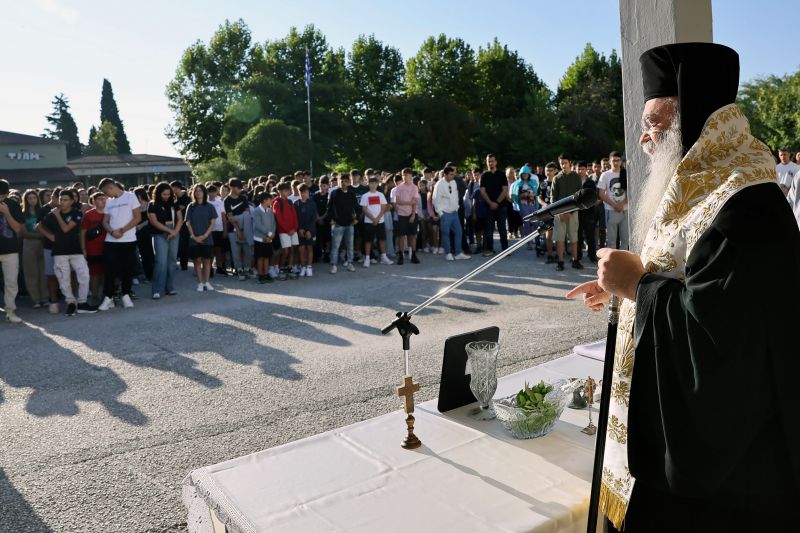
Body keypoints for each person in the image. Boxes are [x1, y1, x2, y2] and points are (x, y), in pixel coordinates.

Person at [567, 42, 800, 532]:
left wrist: (637, 285)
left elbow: (720, 345)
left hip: (725, 479)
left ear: (693, 118)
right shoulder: (703, 187)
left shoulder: (744, 203)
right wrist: (624, 288)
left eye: (656, 123)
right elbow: (686, 276)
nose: (646, 140)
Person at [38, 190, 96, 316]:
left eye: (65, 200)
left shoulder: (77, 213)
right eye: (60, 200)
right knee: (63, 279)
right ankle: (70, 303)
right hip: (59, 252)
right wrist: (51, 237)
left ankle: (82, 303)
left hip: (75, 250)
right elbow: (39, 226)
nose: (62, 202)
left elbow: (66, 228)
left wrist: (58, 215)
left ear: (71, 201)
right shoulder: (51, 214)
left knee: (84, 276)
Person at [98, 178, 140, 311]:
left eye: (106, 192)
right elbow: (105, 221)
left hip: (128, 240)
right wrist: (112, 231)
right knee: (110, 270)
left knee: (127, 269)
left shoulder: (131, 197)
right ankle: (108, 297)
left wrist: (122, 230)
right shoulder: (108, 202)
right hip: (111, 241)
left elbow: (138, 217)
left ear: (111, 187)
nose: (106, 195)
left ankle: (126, 295)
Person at [147, 182, 182, 299]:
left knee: (172, 261)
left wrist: (175, 231)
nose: (167, 196)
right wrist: (170, 231)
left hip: (174, 232)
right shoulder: (152, 205)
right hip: (160, 234)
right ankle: (157, 289)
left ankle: (170, 287)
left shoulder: (174, 203)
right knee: (161, 262)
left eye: (168, 194)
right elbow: (154, 222)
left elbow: (180, 219)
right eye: (164, 194)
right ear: (158, 193)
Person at [551, 154, 583, 271]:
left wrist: (571, 211)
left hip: (573, 213)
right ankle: (560, 261)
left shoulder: (576, 177)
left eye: (565, 162)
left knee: (574, 237)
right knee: (559, 238)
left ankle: (575, 260)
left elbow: (579, 197)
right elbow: (553, 199)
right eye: (561, 163)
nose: (563, 165)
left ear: (570, 162)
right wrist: (559, 213)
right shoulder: (556, 178)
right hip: (559, 214)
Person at [432, 166, 471, 261]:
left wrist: (457, 207)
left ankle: (458, 253)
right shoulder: (439, 185)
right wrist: (441, 213)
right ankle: (448, 253)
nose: (453, 176)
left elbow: (456, 196)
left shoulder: (453, 182)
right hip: (445, 213)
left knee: (459, 231)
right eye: (451, 174)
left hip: (454, 212)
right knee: (446, 234)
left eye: (454, 174)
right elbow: (435, 200)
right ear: (445, 174)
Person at [185, 184, 218, 292]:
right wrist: (193, 236)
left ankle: (206, 282)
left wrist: (205, 235)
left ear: (204, 192)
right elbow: (188, 223)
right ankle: (200, 283)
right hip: (194, 239)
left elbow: (213, 223)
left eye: (200, 191)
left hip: (207, 238)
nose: (198, 193)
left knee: (207, 261)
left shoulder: (210, 206)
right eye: (196, 191)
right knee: (197, 261)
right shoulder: (191, 206)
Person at [0, 179, 24, 323]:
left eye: (2, 196)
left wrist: (6, 213)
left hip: (10, 250)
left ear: (7, 194)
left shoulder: (13, 205)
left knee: (11, 282)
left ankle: (10, 310)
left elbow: (18, 229)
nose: (0, 199)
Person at [327, 173, 359, 274]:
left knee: (350, 245)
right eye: (342, 181)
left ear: (349, 182)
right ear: (339, 182)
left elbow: (356, 207)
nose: (344, 183)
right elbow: (330, 207)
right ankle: (334, 265)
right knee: (335, 246)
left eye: (346, 181)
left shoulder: (351, 193)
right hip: (338, 223)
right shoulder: (334, 193)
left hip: (349, 223)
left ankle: (350, 263)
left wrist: (357, 218)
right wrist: (331, 219)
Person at [20, 189, 47, 308]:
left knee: (43, 271)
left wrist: (43, 236)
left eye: (34, 198)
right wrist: (41, 235)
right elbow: (24, 233)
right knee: (31, 272)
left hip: (43, 243)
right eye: (29, 198)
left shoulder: (42, 212)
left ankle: (45, 297)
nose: (32, 200)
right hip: (29, 243)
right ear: (25, 200)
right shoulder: (22, 214)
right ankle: (36, 299)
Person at [359, 176, 393, 267]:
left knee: (382, 240)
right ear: (368, 184)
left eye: (375, 183)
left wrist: (377, 218)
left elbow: (384, 207)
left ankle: (384, 257)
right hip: (368, 222)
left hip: (380, 221)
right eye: (371, 183)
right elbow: (364, 209)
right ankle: (367, 259)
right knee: (368, 241)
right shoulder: (365, 196)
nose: (373, 185)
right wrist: (373, 219)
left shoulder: (380, 195)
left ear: (377, 184)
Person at [598, 151, 629, 250]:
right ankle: (613, 263)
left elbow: (631, 191)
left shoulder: (626, 173)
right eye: (613, 160)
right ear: (610, 161)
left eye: (618, 160)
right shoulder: (605, 175)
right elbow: (601, 194)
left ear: (621, 161)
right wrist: (614, 205)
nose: (616, 162)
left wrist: (622, 203)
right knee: (611, 240)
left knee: (625, 240)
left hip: (625, 210)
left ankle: (623, 262)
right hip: (611, 210)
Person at [80, 192, 107, 305]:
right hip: (93, 249)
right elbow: (82, 232)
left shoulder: (110, 212)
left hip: (108, 247)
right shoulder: (88, 215)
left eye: (104, 198)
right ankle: (95, 296)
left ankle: (107, 296)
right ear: (94, 201)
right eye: (100, 199)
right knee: (94, 274)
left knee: (107, 273)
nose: (103, 201)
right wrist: (83, 248)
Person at [224, 178, 253, 281]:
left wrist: (243, 228)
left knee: (247, 250)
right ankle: (239, 270)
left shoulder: (243, 198)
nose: (239, 190)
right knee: (236, 251)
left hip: (246, 228)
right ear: (231, 187)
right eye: (237, 188)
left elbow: (247, 213)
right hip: (233, 229)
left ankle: (246, 269)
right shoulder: (227, 200)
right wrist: (238, 229)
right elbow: (230, 217)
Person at [480, 154, 509, 256]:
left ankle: (505, 250)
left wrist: (496, 202)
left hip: (501, 206)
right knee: (489, 230)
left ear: (496, 162)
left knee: (502, 229)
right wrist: (490, 203)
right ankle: (489, 249)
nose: (490, 163)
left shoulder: (501, 174)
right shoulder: (484, 176)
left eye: (492, 161)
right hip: (488, 207)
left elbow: (505, 190)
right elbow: (482, 191)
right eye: (489, 161)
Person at [393, 168, 421, 265]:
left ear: (411, 176)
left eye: (407, 175)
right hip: (401, 214)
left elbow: (415, 202)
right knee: (401, 236)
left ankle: (413, 254)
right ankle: (400, 255)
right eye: (403, 175)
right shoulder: (399, 187)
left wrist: (413, 214)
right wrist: (408, 202)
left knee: (413, 235)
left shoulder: (414, 187)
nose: (405, 177)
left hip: (412, 214)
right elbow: (398, 201)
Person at [273, 182, 300, 280]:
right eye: (285, 191)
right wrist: (288, 230)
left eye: (288, 190)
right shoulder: (277, 203)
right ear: (279, 191)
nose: (287, 192)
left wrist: (295, 228)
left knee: (293, 249)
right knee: (285, 250)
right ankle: (281, 268)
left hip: (293, 230)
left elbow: (295, 216)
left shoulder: (290, 202)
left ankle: (290, 267)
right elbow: (279, 219)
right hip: (283, 231)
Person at [575, 161, 598, 263]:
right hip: (577, 212)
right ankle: (578, 256)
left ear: (586, 170)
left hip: (589, 213)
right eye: (578, 169)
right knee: (578, 236)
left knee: (590, 236)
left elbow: (593, 197)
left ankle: (592, 255)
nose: (580, 171)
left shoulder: (591, 182)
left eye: (582, 169)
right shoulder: (574, 182)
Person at [253, 191, 276, 283]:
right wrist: (269, 234)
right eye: (270, 199)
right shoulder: (256, 211)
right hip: (259, 238)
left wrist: (272, 234)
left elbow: (273, 223)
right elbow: (258, 225)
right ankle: (261, 275)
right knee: (260, 257)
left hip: (269, 238)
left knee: (266, 257)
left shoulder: (270, 211)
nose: (271, 201)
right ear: (264, 200)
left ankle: (266, 274)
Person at [295, 184, 317, 276]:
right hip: (300, 230)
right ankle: (303, 266)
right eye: (301, 192)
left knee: (309, 248)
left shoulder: (312, 203)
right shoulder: (296, 204)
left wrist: (309, 230)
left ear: (308, 192)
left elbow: (314, 218)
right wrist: (299, 229)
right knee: (301, 248)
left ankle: (309, 267)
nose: (303, 194)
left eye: (305, 192)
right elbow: (295, 218)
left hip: (310, 230)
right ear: (298, 192)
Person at [207, 184, 228, 276]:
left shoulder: (220, 202)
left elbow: (223, 216)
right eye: (210, 192)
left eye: (214, 192)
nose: (212, 194)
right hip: (209, 229)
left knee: (219, 249)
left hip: (219, 228)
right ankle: (209, 268)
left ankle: (219, 267)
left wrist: (225, 230)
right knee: (210, 250)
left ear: (216, 192)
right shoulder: (206, 202)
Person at [171, 181, 191, 271]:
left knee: (184, 245)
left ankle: (184, 264)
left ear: (177, 188)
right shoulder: (173, 198)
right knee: (176, 245)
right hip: (175, 224)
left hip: (185, 224)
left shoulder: (186, 198)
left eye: (173, 188)